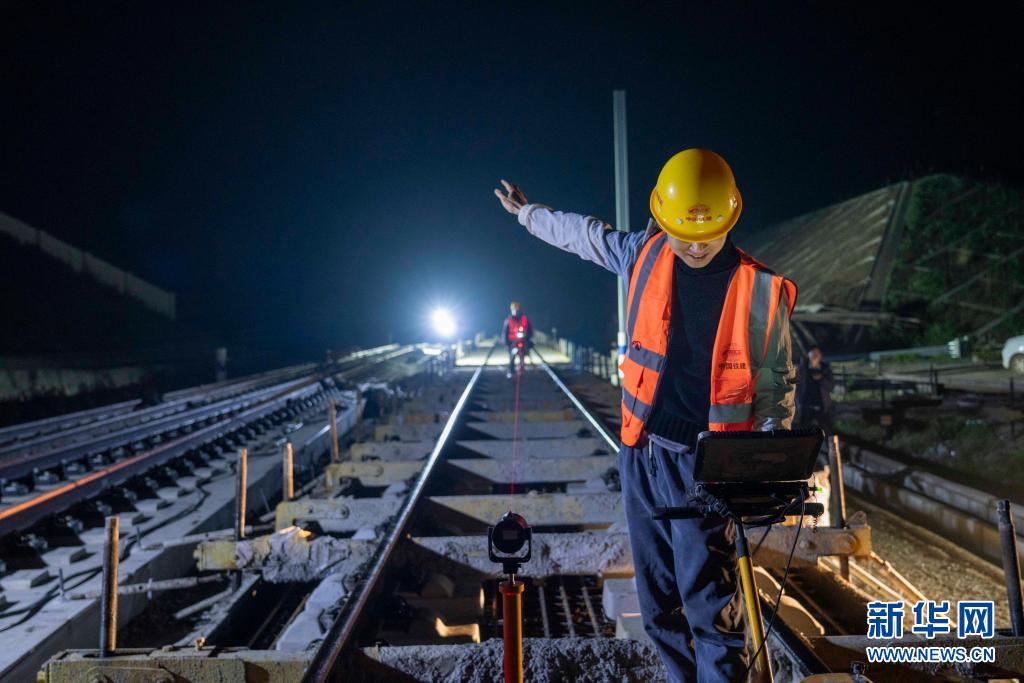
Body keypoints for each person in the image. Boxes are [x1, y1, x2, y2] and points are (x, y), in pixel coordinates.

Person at [494, 149, 796, 682]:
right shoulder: (644, 253)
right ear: (662, 220)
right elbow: (583, 234)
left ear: (730, 218)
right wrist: (528, 215)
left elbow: (775, 387)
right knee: (657, 608)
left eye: (707, 235)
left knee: (710, 608)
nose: (696, 247)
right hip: (643, 454)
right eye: (684, 235)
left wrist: (765, 461)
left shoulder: (761, 290)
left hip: (709, 466)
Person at [796, 346, 835, 434]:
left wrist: (821, 379)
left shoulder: (825, 368)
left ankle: (832, 447)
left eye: (817, 353)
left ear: (820, 356)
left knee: (828, 431)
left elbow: (831, 387)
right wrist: (799, 400)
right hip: (805, 405)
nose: (815, 355)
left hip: (822, 405)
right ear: (808, 355)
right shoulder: (802, 368)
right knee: (803, 431)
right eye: (813, 353)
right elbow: (796, 386)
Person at [501, 300, 533, 377]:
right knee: (512, 354)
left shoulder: (524, 319)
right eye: (514, 310)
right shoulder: (508, 320)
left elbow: (530, 330)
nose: (516, 311)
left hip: (523, 340)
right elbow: (504, 333)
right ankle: (511, 370)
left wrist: (528, 338)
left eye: (517, 310)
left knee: (525, 350)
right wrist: (506, 343)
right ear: (511, 310)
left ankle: (522, 367)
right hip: (512, 342)